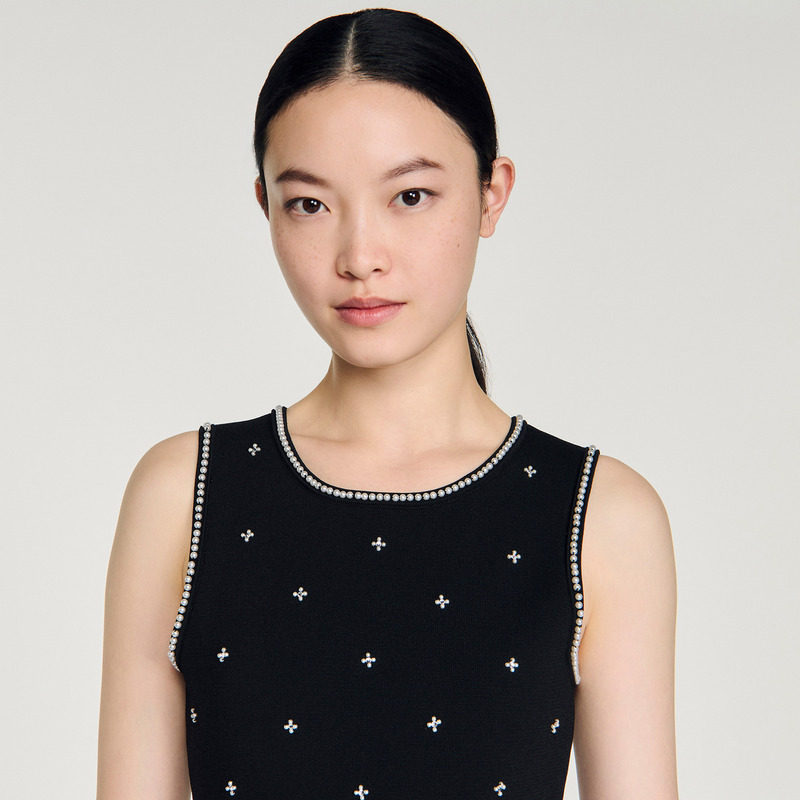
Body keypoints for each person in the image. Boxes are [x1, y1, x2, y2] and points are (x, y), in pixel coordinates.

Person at [97, 8, 678, 799]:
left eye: (410, 195)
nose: (360, 256)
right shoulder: (183, 494)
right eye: (310, 204)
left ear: (492, 194)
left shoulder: (601, 515)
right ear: (265, 204)